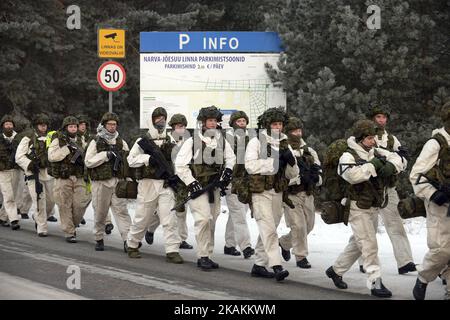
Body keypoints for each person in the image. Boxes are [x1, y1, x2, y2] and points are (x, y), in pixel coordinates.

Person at [325, 119, 407, 298]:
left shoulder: (375, 150)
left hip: (373, 206)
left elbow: (400, 159)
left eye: (374, 138)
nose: (373, 141)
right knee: (369, 245)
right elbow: (353, 175)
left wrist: (392, 165)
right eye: (370, 138)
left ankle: (336, 270)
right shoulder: (348, 156)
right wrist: (374, 166)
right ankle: (375, 283)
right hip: (357, 207)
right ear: (361, 138)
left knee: (358, 243)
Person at [175, 106, 236, 270]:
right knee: (203, 220)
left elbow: (231, 159)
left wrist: (227, 173)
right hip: (198, 188)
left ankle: (207, 255)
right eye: (209, 120)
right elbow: (180, 166)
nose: (212, 123)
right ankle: (202, 256)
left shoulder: (222, 140)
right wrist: (191, 182)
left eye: (215, 120)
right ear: (202, 122)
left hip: (214, 188)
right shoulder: (192, 141)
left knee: (212, 222)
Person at [245, 107, 299, 281]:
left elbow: (292, 174)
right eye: (274, 124)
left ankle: (259, 265)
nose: (278, 127)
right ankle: (276, 265)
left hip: (277, 192)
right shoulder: (256, 142)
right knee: (268, 229)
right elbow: (250, 166)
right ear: (267, 125)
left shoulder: (284, 143)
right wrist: (274, 162)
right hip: (260, 193)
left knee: (269, 229)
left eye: (280, 124)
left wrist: (291, 162)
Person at [126, 107, 183, 263]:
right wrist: (147, 159)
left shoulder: (170, 139)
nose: (161, 121)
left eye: (163, 117)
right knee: (142, 217)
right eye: (157, 118)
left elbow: (176, 161)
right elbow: (130, 160)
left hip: (166, 184)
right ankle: (132, 244)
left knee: (169, 218)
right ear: (151, 120)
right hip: (148, 184)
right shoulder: (142, 141)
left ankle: (172, 250)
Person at [410, 101, 450, 300]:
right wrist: (434, 194)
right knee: (443, 249)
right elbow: (416, 175)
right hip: (439, 203)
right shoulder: (435, 143)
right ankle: (424, 277)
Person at [145, 113, 193, 250]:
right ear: (172, 127)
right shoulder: (166, 140)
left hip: (182, 179)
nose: (181, 129)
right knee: (166, 211)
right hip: (168, 179)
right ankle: (150, 228)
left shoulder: (187, 141)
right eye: (178, 126)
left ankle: (182, 239)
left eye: (183, 126)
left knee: (181, 210)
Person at [84, 112, 132, 251]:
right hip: (101, 183)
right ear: (104, 125)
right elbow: (88, 161)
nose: (112, 127)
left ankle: (127, 241)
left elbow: (128, 161)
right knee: (100, 212)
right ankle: (99, 238)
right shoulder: (96, 141)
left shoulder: (121, 142)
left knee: (122, 211)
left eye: (114, 124)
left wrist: (128, 178)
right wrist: (105, 155)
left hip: (117, 181)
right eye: (109, 124)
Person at [279, 116, 321, 268]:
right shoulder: (283, 150)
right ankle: (301, 256)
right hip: (291, 194)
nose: (298, 133)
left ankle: (284, 243)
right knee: (298, 226)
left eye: (299, 130)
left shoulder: (308, 150)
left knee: (309, 226)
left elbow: (317, 166)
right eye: (294, 131)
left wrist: (316, 177)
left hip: (307, 194)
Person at [48, 116, 89, 243]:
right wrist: (66, 149)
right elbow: (52, 156)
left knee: (80, 203)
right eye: (70, 126)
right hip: (63, 177)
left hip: (79, 177)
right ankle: (69, 232)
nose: (73, 128)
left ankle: (72, 224)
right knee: (64, 205)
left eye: (75, 126)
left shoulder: (82, 140)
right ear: (66, 128)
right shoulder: (59, 140)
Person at [15, 114, 55, 236]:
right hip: (34, 174)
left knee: (52, 201)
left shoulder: (51, 137)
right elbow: (19, 156)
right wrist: (30, 164)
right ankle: (42, 227)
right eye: (40, 125)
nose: (43, 127)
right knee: (39, 201)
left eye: (45, 125)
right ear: (36, 125)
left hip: (49, 173)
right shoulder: (28, 138)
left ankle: (38, 217)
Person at [223, 111, 254, 259]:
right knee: (239, 214)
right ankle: (246, 246)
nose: (242, 123)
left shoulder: (252, 137)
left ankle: (229, 244)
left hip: (247, 181)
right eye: (239, 121)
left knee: (238, 213)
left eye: (244, 121)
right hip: (232, 180)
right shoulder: (227, 138)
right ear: (233, 123)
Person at [0, 115, 21, 230]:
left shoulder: (18, 138)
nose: (8, 126)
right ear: (3, 126)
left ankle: (2, 217)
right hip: (3, 172)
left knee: (12, 195)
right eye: (6, 124)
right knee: (8, 196)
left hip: (16, 170)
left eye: (10, 124)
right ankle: (14, 219)